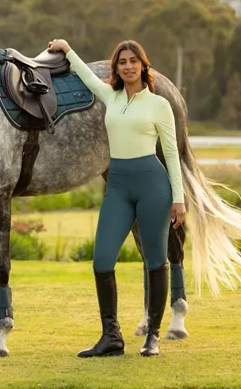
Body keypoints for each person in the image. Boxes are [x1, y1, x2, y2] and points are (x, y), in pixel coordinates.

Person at [47, 38, 185, 358]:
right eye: (122, 62)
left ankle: (152, 335)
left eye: (133, 61)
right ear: (117, 68)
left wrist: (178, 199)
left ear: (143, 65)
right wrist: (68, 51)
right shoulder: (110, 96)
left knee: (154, 261)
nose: (128, 66)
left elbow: (172, 157)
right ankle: (111, 337)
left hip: (153, 186)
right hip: (118, 187)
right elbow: (85, 75)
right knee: (102, 260)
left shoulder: (159, 105)